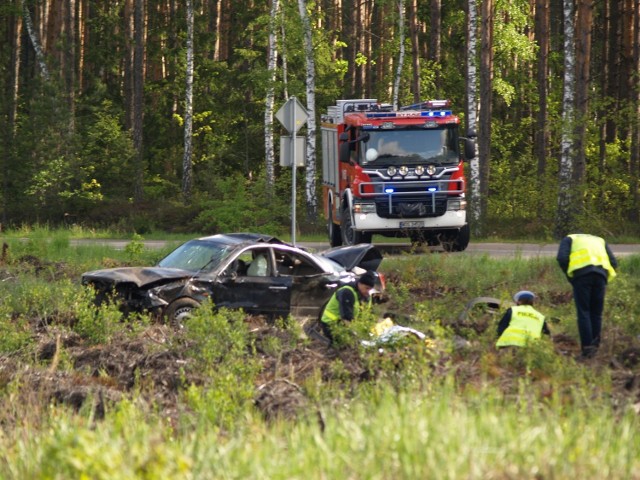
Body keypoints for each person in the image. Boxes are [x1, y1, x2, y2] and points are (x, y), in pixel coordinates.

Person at [556, 233, 618, 359]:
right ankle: (596, 348)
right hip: (600, 276)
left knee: (584, 312)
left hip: (582, 276)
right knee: (596, 313)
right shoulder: (600, 239)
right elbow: (613, 262)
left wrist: (571, 277)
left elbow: (562, 259)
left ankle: (587, 350)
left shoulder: (569, 238)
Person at [320, 270, 378, 344]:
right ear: (359, 284)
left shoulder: (366, 296)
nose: (368, 291)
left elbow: (368, 316)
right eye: (366, 288)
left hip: (345, 325)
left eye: (370, 289)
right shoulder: (347, 292)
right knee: (351, 344)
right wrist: (357, 336)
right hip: (331, 325)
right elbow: (346, 318)